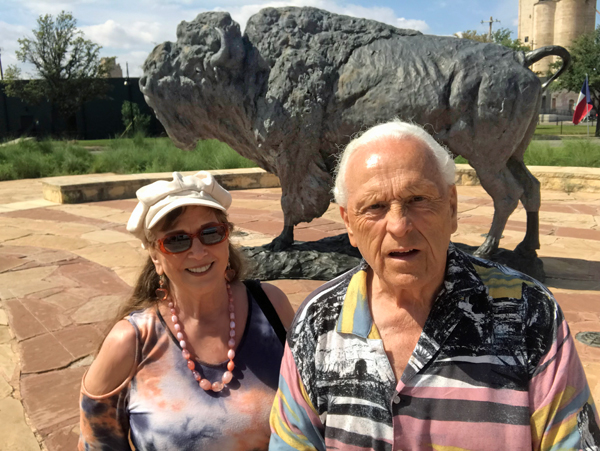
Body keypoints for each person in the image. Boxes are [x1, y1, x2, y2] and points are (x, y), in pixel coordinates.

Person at [269, 120, 600, 450]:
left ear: (452, 207)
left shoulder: (528, 312)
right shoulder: (318, 322)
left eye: (417, 199)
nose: (399, 225)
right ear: (348, 224)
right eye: (375, 207)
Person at [79, 171, 295, 451]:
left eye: (210, 233)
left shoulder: (271, 307)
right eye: (176, 240)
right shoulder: (130, 342)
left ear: (226, 238)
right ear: (155, 256)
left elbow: (312, 415)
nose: (198, 251)